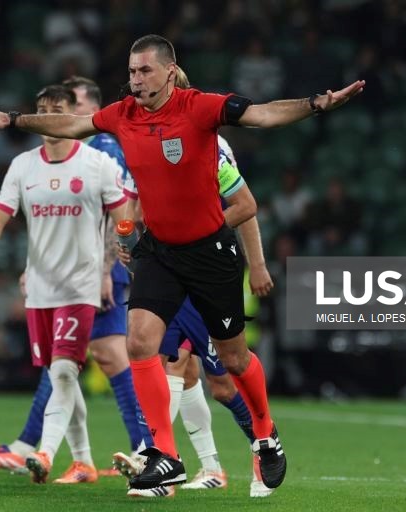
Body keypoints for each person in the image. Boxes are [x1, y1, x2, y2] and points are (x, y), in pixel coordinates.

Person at [0, 34, 364, 492]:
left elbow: (263, 115)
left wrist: (317, 104)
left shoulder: (201, 107)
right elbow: (72, 125)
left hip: (210, 252)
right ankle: (165, 456)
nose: (135, 79)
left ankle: (266, 434)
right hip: (160, 252)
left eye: (145, 70)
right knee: (140, 343)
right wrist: (12, 119)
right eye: (131, 72)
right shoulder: (123, 115)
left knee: (232, 358)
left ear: (169, 71)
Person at [0, 77, 152, 475]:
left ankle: (47, 449)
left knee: (83, 361)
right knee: (74, 362)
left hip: (97, 271)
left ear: (83, 111)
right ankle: (88, 458)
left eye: (65, 109)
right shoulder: (31, 163)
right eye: (47, 111)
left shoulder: (102, 148)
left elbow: (124, 212)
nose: (54, 119)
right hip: (54, 280)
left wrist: (110, 266)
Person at [115, 126, 275, 498]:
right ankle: (182, 464)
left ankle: (261, 444)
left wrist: (259, 264)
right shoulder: (139, 145)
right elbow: (133, 207)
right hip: (167, 267)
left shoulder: (211, 146)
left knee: (217, 381)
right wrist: (129, 244)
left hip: (208, 267)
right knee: (176, 364)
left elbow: (244, 206)